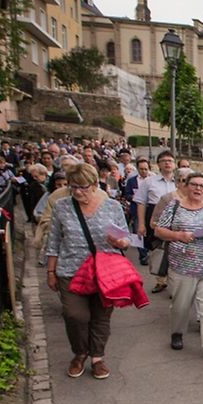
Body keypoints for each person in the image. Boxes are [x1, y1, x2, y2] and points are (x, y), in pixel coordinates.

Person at [44, 162, 131, 380]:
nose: (78, 192)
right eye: (73, 187)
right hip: (70, 269)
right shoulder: (62, 206)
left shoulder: (112, 207)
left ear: (94, 185)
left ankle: (97, 357)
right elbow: (53, 240)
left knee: (101, 316)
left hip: (104, 271)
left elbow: (126, 240)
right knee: (75, 315)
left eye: (83, 187)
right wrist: (51, 271)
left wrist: (119, 242)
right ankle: (80, 352)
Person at [154, 171, 203, 363]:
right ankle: (177, 332)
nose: (198, 188)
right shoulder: (174, 206)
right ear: (186, 186)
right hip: (182, 266)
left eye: (202, 186)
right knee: (180, 306)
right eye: (194, 184)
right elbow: (159, 230)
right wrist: (179, 236)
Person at [136, 150, 178, 272]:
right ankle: (160, 278)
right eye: (163, 161)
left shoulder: (180, 182)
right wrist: (141, 224)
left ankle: (172, 275)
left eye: (170, 161)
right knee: (157, 249)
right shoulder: (148, 182)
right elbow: (141, 203)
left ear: (174, 164)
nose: (167, 163)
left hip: (176, 216)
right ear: (158, 164)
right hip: (155, 216)